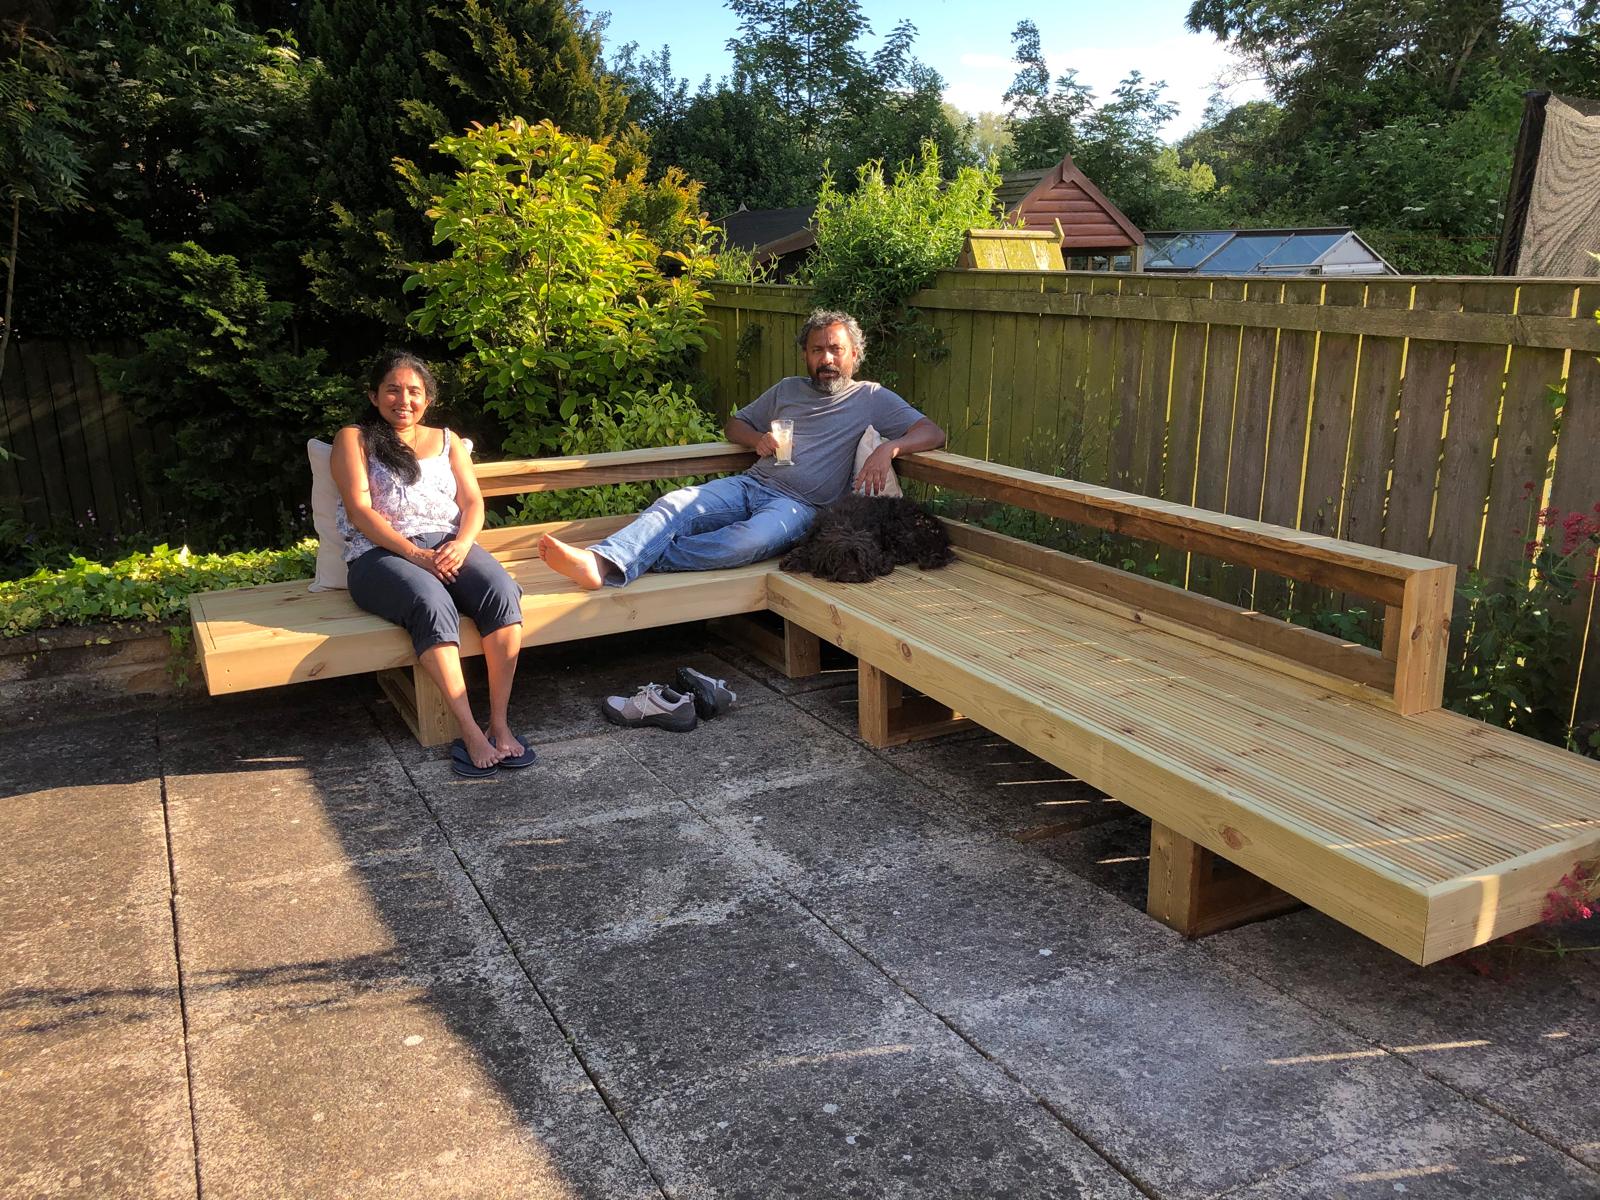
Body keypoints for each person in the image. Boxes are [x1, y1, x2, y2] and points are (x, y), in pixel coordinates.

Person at [539, 309, 946, 590]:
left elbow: (931, 432)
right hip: (752, 483)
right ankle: (602, 562)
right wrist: (757, 440)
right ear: (806, 354)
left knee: (742, 544)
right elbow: (735, 423)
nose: (826, 359)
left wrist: (889, 447)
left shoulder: (870, 397)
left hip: (799, 507)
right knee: (676, 503)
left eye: (835, 349)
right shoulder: (787, 389)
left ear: (854, 354)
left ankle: (619, 561)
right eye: (817, 349)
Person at [332, 350, 531, 775]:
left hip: (446, 544)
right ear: (373, 395)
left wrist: (462, 543)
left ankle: (499, 723)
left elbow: (473, 502)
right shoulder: (354, 438)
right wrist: (415, 554)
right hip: (379, 554)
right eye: (392, 390)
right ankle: (470, 731)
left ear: (428, 398)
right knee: (431, 602)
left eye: (414, 391)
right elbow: (359, 511)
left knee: (500, 591)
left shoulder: (448, 440)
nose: (403, 400)